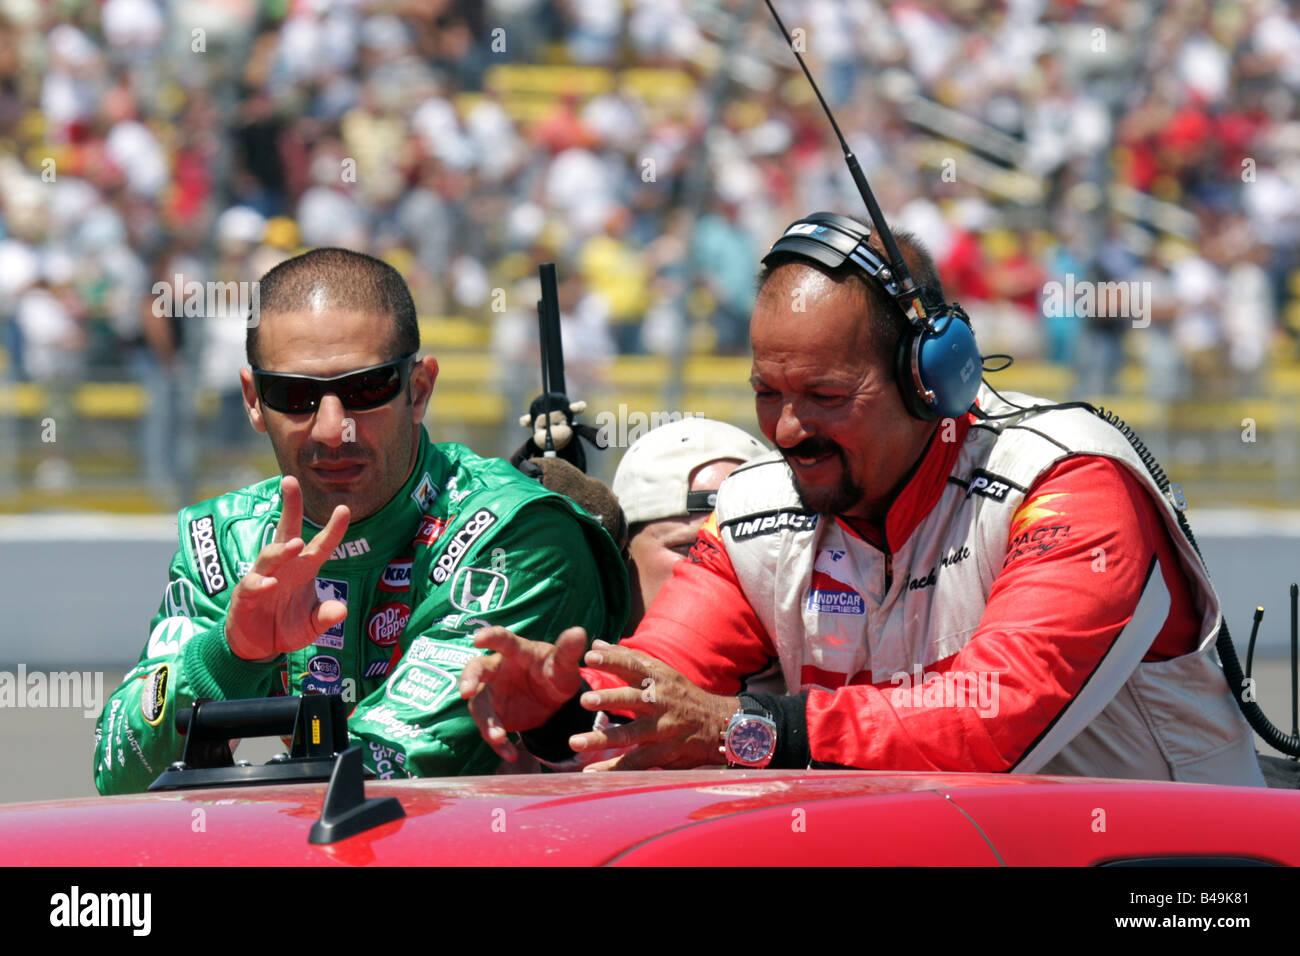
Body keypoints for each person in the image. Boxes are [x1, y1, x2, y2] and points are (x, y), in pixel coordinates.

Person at [459, 213, 1265, 786]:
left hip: (1175, 882)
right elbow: (656, 691)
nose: (785, 428)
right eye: (766, 391)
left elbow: (992, 720)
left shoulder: (1070, 487)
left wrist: (750, 728)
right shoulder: (751, 512)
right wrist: (560, 708)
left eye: (827, 394)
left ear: (931, 379)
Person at [94, 248, 627, 794]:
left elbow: (403, 761)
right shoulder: (227, 540)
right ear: (254, 401)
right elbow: (119, 771)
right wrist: (229, 656)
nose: (331, 429)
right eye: (295, 395)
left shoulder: (514, 531)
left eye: (365, 389)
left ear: (418, 390)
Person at [612, 417, 767, 635]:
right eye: (693, 548)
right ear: (621, 554)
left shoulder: (819, 662)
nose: (722, 573)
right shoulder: (565, 661)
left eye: (747, 551)